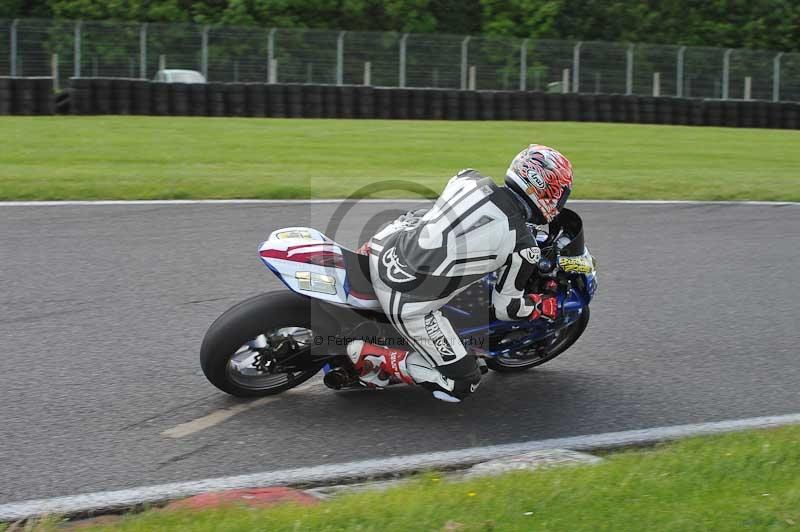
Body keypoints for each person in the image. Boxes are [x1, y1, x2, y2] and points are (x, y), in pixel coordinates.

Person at [347, 144, 574, 402]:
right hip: (405, 301)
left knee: (421, 218)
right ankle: (374, 359)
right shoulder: (525, 248)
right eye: (562, 195)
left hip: (382, 248)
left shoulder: (468, 177)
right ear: (548, 192)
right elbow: (505, 308)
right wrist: (540, 306)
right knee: (461, 384)